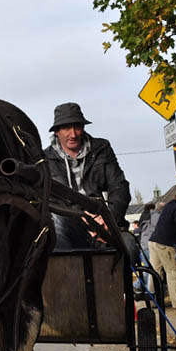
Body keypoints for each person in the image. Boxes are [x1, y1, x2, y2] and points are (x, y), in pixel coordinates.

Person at [44, 102, 131, 250]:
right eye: (66, 128)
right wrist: (81, 217)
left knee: (130, 249)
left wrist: (108, 217)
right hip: (68, 225)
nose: (73, 134)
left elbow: (119, 186)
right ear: (56, 131)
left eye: (77, 127)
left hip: (104, 220)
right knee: (57, 248)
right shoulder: (44, 159)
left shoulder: (102, 148)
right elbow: (49, 200)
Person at [148, 198, 176, 308]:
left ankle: (152, 301)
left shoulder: (169, 206)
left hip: (153, 241)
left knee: (154, 272)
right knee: (173, 272)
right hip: (165, 244)